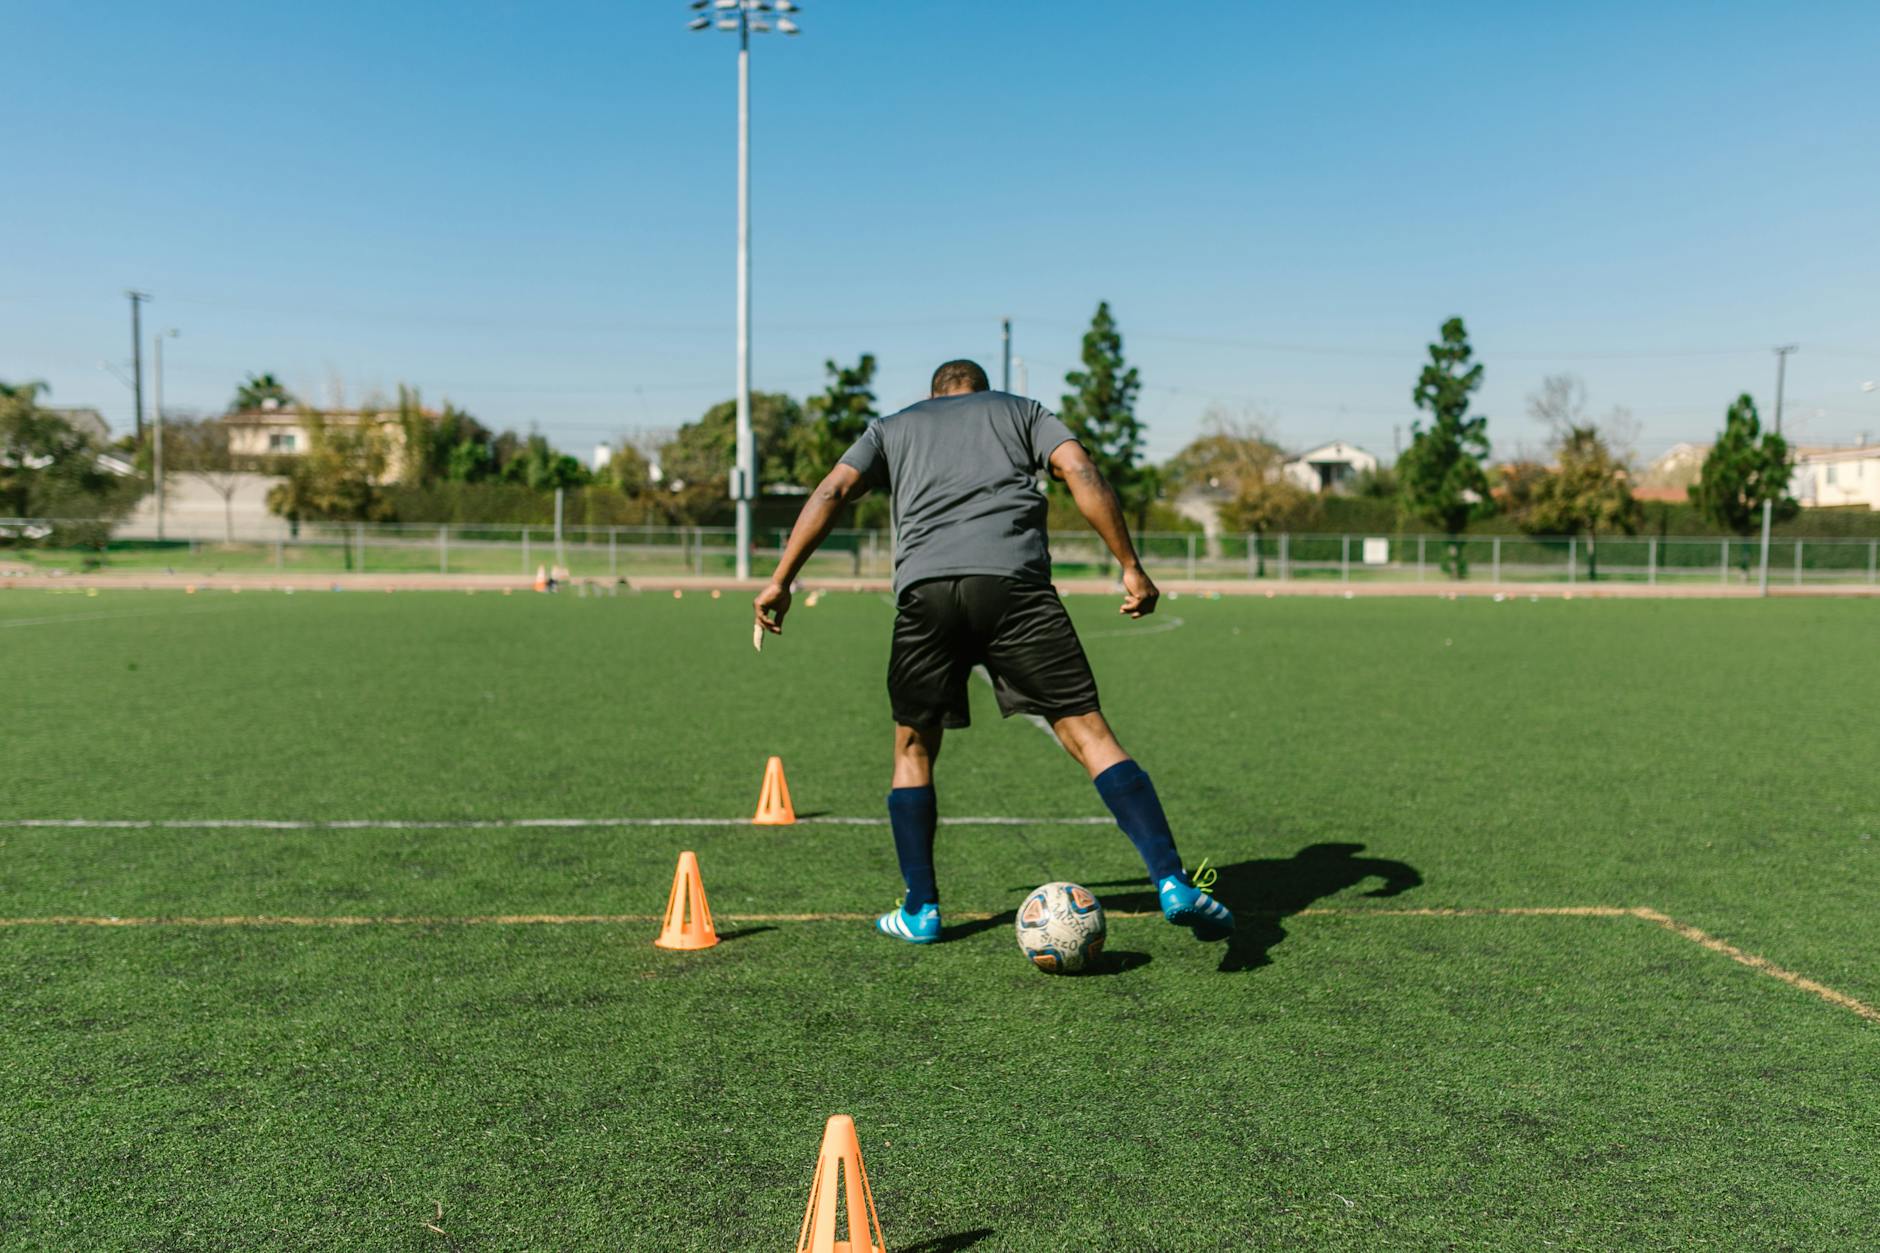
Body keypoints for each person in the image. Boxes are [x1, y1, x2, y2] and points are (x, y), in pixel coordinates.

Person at [753, 359, 1233, 946]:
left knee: (913, 745)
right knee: (1089, 733)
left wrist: (782, 579)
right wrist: (1129, 566)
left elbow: (833, 489)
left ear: (935, 395)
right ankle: (1172, 882)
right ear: (982, 391)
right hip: (1016, 589)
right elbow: (1079, 468)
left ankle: (921, 910)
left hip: (927, 593)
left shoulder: (892, 427)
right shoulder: (1023, 412)